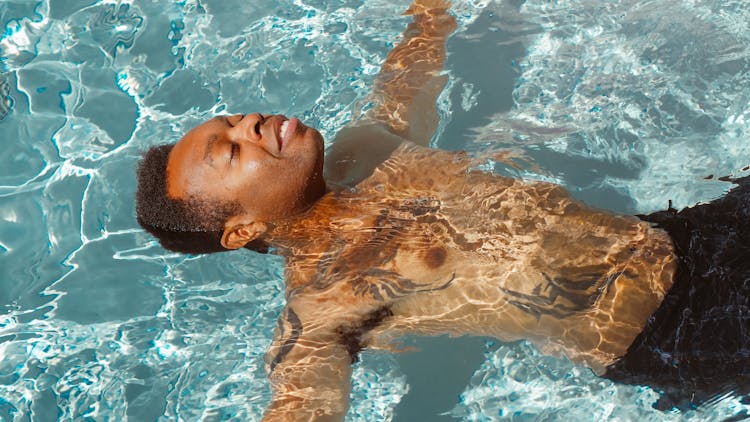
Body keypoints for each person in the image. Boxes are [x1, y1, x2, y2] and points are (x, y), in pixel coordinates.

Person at [135, 0, 750, 419]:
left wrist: (430, 15)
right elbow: (302, 399)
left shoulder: (361, 149)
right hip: (681, 332)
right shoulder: (324, 300)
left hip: (683, 237)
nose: (247, 123)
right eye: (229, 149)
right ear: (242, 230)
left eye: (230, 119)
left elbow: (405, 84)